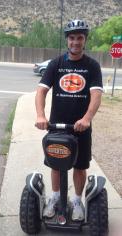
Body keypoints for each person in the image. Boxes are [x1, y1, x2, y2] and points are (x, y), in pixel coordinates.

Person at [35, 19, 103, 221]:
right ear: (67, 40)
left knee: (80, 166)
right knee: (56, 164)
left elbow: (96, 95)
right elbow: (41, 91)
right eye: (72, 38)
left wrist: (87, 118)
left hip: (81, 127)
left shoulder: (92, 66)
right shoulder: (56, 64)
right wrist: (40, 115)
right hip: (57, 126)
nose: (75, 42)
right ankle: (55, 197)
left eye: (79, 38)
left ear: (85, 40)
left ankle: (76, 201)